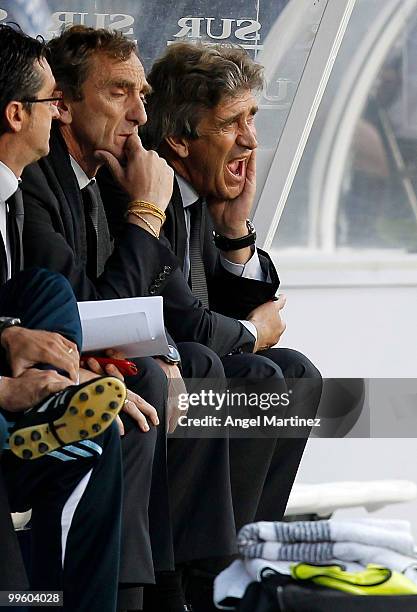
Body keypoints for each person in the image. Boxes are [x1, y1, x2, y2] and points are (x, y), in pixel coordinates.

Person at [0, 24, 125, 611]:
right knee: (115, 416)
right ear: (16, 114)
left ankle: (55, 407)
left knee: (111, 419)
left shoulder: (15, 193)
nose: (62, 115)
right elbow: (106, 300)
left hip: (24, 374)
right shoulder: (40, 189)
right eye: (53, 102)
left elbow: (185, 306)